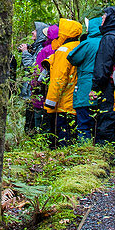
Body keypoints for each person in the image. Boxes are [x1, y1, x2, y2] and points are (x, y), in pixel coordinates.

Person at [91, 6, 115, 146]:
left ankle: (105, 153)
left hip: (109, 86)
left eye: (105, 15)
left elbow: (103, 66)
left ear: (111, 19)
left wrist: (95, 87)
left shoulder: (109, 38)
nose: (102, 18)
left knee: (106, 119)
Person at [44, 19, 85, 147]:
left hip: (63, 104)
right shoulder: (80, 46)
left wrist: (49, 104)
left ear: (65, 33)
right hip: (76, 102)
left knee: (62, 141)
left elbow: (58, 79)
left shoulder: (63, 51)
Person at [66, 16, 103, 141]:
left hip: (85, 87)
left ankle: (84, 151)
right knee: (98, 125)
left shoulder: (88, 43)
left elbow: (72, 57)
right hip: (102, 88)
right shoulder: (106, 41)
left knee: (83, 124)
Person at [20, 22, 50, 132]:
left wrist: (25, 53)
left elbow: (32, 68)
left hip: (36, 94)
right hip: (32, 93)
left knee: (33, 121)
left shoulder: (42, 49)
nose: (33, 32)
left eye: (36, 30)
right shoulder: (37, 48)